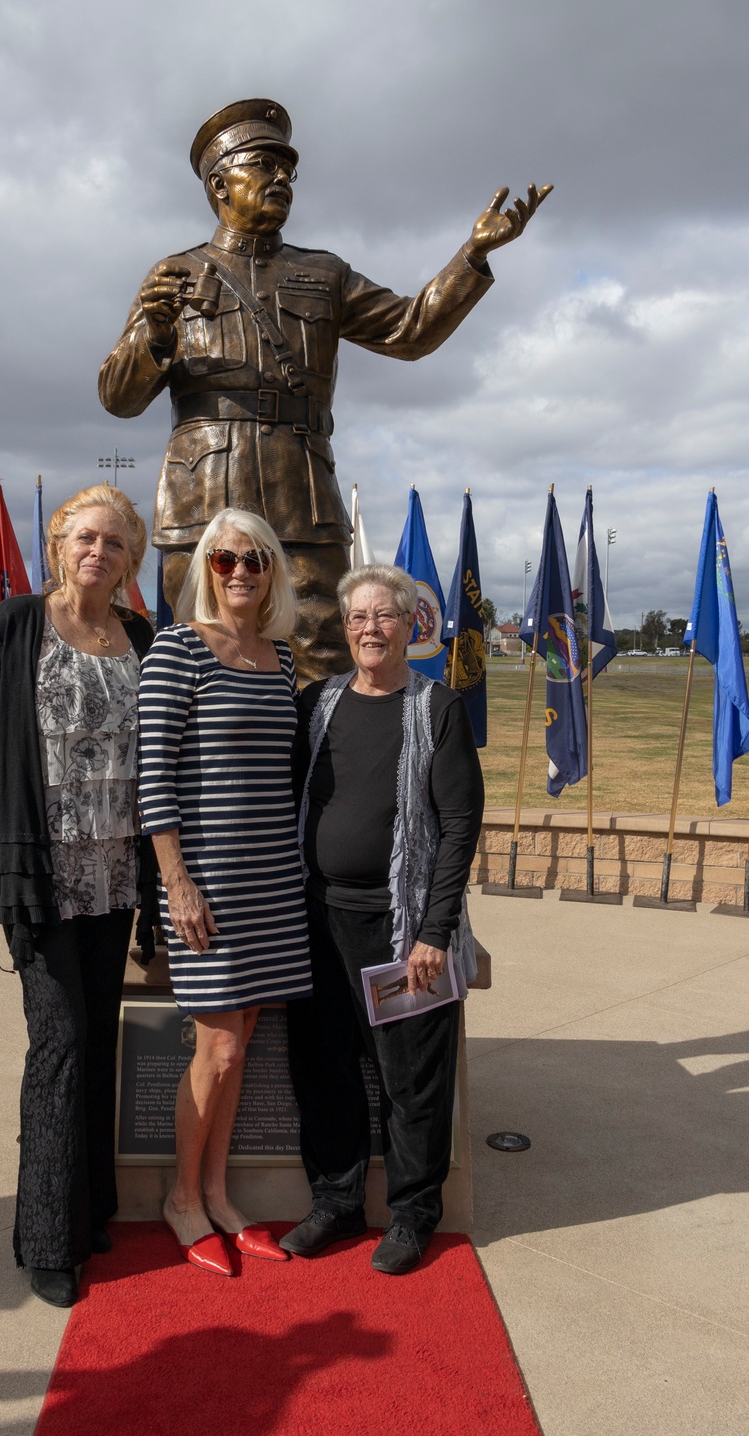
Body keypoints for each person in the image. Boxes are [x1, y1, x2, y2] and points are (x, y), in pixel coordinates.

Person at [99, 97, 551, 683]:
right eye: (264, 163)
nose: (281, 178)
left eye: (288, 169)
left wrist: (473, 256)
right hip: (202, 494)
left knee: (322, 658)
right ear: (219, 182)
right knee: (202, 658)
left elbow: (410, 330)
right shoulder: (175, 274)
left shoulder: (325, 273)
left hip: (301, 490)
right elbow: (118, 395)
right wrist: (155, 333)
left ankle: (326, 775)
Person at [0, 485, 153, 1308]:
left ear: (129, 558)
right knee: (60, 1045)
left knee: (98, 1040)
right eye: (84, 538)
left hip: (115, 874)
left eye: (113, 542)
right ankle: (47, 1236)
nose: (97, 552)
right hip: (41, 874)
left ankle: (91, 1206)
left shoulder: (139, 634)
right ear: (60, 544)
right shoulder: (15, 625)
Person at [281, 563, 485, 1274]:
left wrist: (434, 930)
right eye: (358, 618)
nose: (371, 629)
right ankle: (335, 1204)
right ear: (346, 627)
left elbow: (459, 825)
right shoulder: (321, 701)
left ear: (409, 624)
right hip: (318, 922)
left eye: (384, 616)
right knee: (325, 1070)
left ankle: (412, 1214)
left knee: (410, 1081)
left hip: (402, 932)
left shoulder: (438, 709)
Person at [137, 508, 309, 1276]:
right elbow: (155, 777)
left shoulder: (282, 659)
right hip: (207, 885)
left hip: (273, 881)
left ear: (273, 572)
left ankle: (218, 1192)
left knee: (242, 1050)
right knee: (221, 1043)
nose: (241, 572)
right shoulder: (179, 650)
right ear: (204, 568)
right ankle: (181, 1197)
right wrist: (175, 882)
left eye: (256, 560)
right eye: (225, 560)